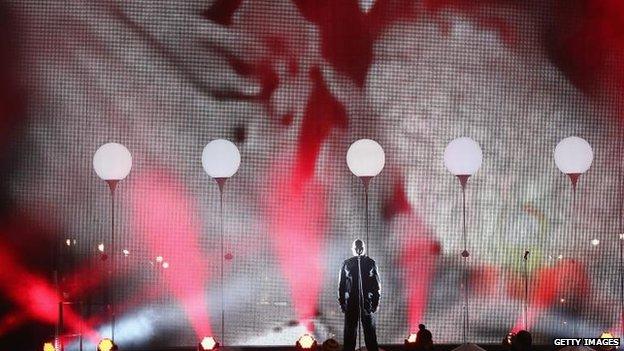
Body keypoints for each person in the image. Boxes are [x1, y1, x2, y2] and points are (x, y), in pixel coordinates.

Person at [338, 239, 380, 351]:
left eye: (360, 247)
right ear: (353, 249)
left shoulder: (370, 263)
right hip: (351, 303)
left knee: (370, 332)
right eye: (356, 247)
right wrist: (342, 302)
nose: (358, 249)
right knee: (350, 333)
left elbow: (376, 284)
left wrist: (375, 302)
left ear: (364, 248)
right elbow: (342, 284)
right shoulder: (347, 263)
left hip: (367, 303)